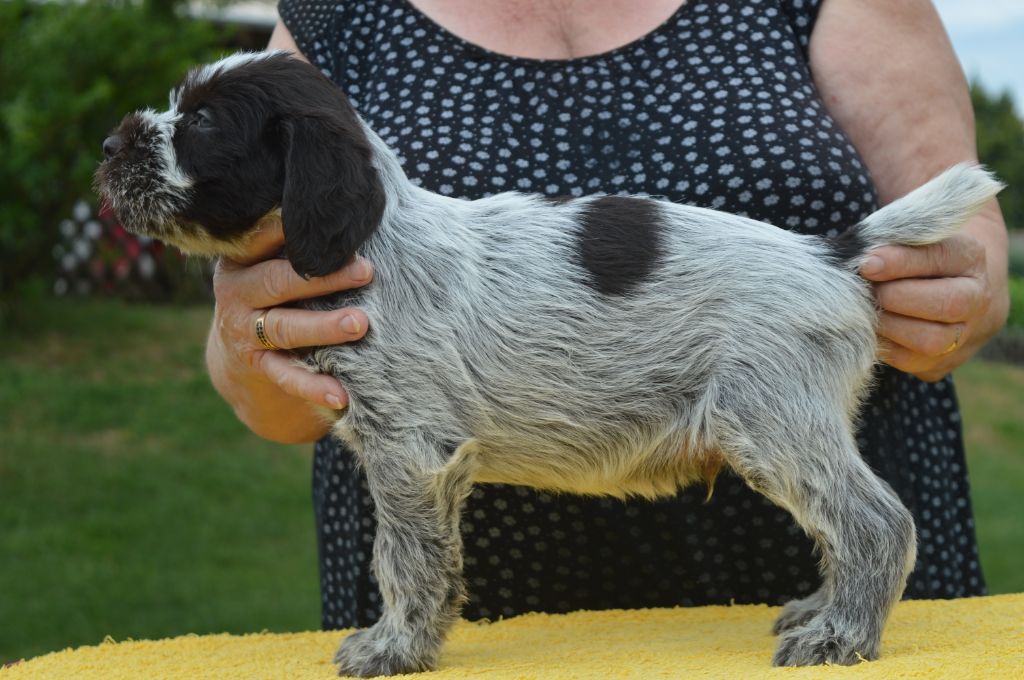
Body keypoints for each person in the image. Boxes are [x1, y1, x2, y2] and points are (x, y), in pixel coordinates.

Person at [205, 0, 1009, 628]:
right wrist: (258, 338)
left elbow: (966, 225)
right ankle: (412, 615)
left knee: (792, 455)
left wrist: (961, 283)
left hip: (762, 330)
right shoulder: (332, 16)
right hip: (500, 620)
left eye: (199, 122)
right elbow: (257, 374)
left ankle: (863, 574)